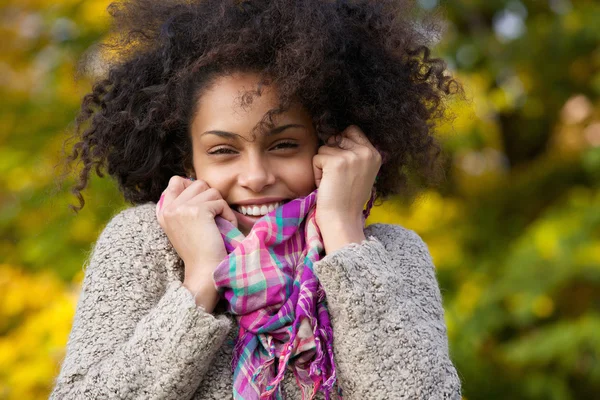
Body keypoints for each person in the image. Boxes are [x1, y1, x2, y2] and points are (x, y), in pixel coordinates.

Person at [51, 0, 465, 398]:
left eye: (284, 145)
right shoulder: (143, 244)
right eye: (223, 150)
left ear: (331, 144)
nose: (255, 177)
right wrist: (200, 279)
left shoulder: (392, 253)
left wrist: (342, 230)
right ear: (188, 161)